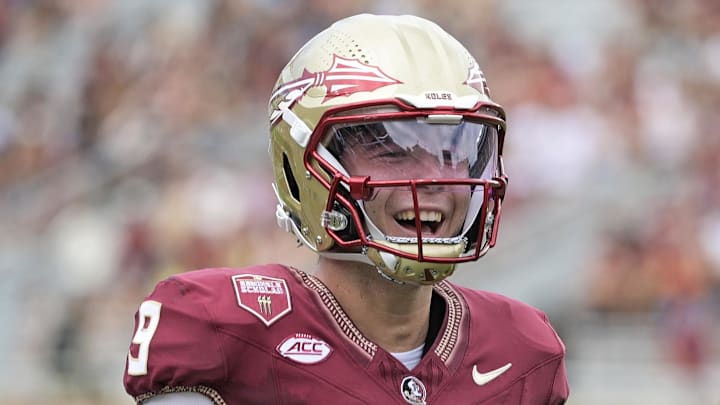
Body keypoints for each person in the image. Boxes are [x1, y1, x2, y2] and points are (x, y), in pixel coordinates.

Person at [123, 14, 570, 405]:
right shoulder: (224, 330)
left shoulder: (523, 350)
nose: (435, 177)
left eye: (454, 150)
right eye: (392, 149)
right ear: (302, 169)